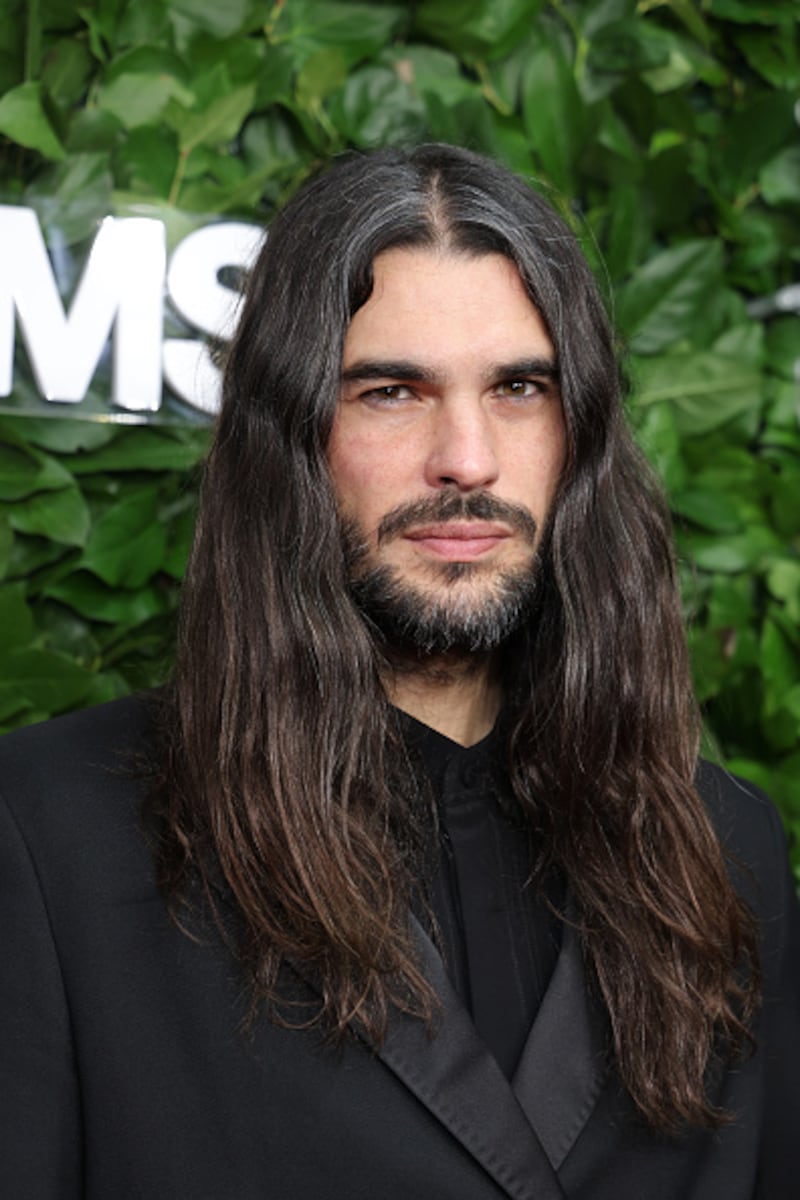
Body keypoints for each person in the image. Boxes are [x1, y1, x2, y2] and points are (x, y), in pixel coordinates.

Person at [0, 144, 797, 1200]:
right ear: (287, 435)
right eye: (390, 391)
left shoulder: (723, 848)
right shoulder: (50, 837)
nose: (467, 456)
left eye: (519, 387)